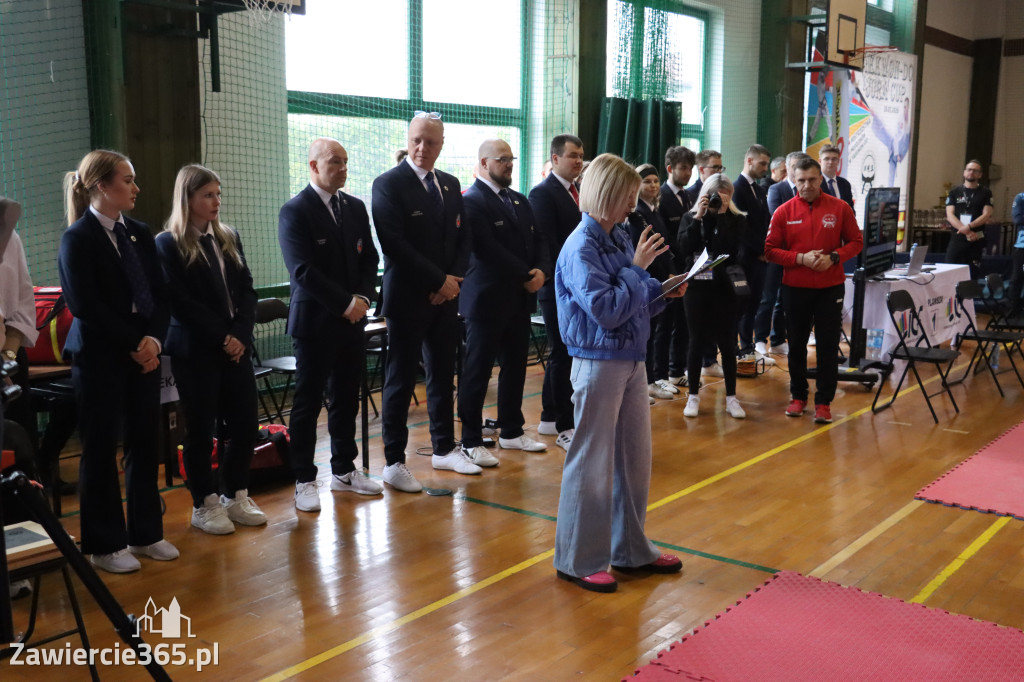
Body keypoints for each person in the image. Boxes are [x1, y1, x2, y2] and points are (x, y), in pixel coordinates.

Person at [552, 153, 686, 593]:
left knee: (634, 459)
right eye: (628, 195)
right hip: (597, 360)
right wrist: (639, 271)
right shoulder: (581, 246)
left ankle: (630, 549)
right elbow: (607, 310)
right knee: (592, 462)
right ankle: (577, 559)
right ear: (606, 193)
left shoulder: (618, 236)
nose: (633, 203)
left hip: (631, 357)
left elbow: (632, 299)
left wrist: (662, 290)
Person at [58, 150, 177, 573]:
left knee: (144, 443)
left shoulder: (139, 233)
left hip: (143, 353)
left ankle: (146, 534)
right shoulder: (78, 238)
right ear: (101, 186)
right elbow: (85, 304)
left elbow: (160, 295)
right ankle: (105, 544)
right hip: (100, 358)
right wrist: (134, 341)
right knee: (100, 448)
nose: (136, 188)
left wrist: (153, 341)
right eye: (127, 180)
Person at [155, 164, 266, 533]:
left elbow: (247, 290)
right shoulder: (167, 243)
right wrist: (223, 337)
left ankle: (236, 494)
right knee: (201, 430)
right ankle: (204, 502)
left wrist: (241, 334)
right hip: (197, 349)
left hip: (236, 347)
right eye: (207, 195)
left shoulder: (228, 236)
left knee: (245, 424)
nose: (216, 201)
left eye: (218, 194)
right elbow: (181, 302)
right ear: (188, 198)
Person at [372, 113, 473, 492]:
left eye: (430, 142)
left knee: (443, 375)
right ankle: (394, 461)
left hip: (446, 298)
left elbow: (464, 239)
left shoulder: (450, 183)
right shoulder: (387, 184)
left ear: (441, 144)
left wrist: (452, 281)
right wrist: (438, 281)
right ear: (407, 139)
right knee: (400, 380)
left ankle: (444, 447)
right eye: (416, 139)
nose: (421, 148)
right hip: (407, 299)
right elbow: (393, 243)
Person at [280, 138, 381, 509]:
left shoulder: (354, 207)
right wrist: (345, 303)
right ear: (313, 166)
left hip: (353, 321)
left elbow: (369, 259)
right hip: (315, 323)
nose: (342, 169)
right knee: (308, 403)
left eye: (345, 162)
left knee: (346, 399)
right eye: (334, 162)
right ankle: (304, 479)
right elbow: (302, 270)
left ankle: (344, 470)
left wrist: (364, 298)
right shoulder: (295, 210)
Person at [458, 139, 551, 465]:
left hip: (519, 299)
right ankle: (470, 440)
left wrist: (542, 270)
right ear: (484, 163)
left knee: (515, 367)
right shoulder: (471, 201)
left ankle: (511, 431)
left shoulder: (519, 200)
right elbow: (487, 250)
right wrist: (527, 274)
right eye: (502, 159)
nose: (509, 164)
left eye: (511, 159)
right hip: (486, 300)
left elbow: (539, 238)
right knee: (478, 371)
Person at [764, 157, 862, 424]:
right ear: (793, 181)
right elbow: (770, 250)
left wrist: (834, 257)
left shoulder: (840, 208)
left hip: (830, 288)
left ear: (820, 179)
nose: (806, 185)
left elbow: (856, 241)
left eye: (811, 180)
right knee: (796, 345)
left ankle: (823, 402)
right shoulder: (783, 211)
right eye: (801, 180)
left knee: (828, 345)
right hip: (795, 289)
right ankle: (798, 396)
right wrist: (800, 259)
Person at [529, 134, 583, 450]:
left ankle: (550, 415)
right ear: (555, 158)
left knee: (565, 351)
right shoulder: (542, 193)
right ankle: (563, 423)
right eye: (573, 155)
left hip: (579, 285)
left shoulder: (578, 192)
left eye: (581, 156)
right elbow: (547, 243)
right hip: (557, 286)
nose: (578, 161)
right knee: (561, 351)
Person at [677, 175, 747, 420]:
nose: (718, 200)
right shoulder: (690, 217)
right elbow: (684, 248)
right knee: (695, 341)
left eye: (724, 196)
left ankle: (732, 398)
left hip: (725, 289)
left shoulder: (737, 220)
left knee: (728, 343)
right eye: (715, 195)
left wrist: (722, 216)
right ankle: (693, 396)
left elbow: (732, 250)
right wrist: (699, 217)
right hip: (697, 288)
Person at [627, 164, 677, 402]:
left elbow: (664, 246)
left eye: (656, 181)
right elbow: (644, 252)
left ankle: (656, 377)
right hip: (649, 279)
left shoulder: (654, 210)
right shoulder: (636, 214)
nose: (653, 185)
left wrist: (671, 273)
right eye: (647, 181)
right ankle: (646, 382)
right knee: (648, 333)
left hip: (661, 279)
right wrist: (661, 276)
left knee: (661, 330)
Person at [757, 151, 811, 358]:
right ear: (787, 168)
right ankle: (760, 340)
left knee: (785, 300)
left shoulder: (807, 192)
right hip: (778, 252)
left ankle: (778, 340)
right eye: (795, 166)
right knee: (768, 298)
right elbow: (777, 219)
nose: (799, 170)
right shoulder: (776, 189)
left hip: (797, 254)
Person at [0, 198, 39, 449]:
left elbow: (23, 302)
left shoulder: (8, 234)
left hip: (9, 356)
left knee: (19, 446)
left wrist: (7, 359)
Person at [659, 146, 695, 387]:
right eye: (683, 168)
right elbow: (665, 237)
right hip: (670, 269)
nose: (688, 173)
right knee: (665, 325)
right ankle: (660, 374)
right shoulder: (661, 197)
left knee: (683, 322)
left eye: (690, 168)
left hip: (688, 269)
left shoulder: (689, 196)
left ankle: (676, 370)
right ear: (670, 168)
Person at [732, 145, 772, 361]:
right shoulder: (737, 188)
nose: (765, 168)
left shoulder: (759, 189)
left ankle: (748, 347)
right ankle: (739, 349)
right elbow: (741, 227)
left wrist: (767, 250)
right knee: (741, 306)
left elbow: (765, 223)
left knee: (754, 304)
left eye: (767, 164)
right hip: (745, 258)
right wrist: (760, 250)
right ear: (749, 160)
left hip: (760, 258)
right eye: (762, 163)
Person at [945, 160, 993, 279]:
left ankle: (971, 291)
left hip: (976, 237)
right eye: (969, 170)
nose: (971, 172)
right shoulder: (954, 192)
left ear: (980, 175)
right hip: (958, 236)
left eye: (975, 171)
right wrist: (965, 230)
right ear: (964, 172)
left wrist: (969, 227)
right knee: (950, 270)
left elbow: (987, 214)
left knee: (972, 273)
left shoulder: (986, 192)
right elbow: (950, 215)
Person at [819, 144, 854, 210]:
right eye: (826, 159)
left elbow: (851, 210)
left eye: (834, 159)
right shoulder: (815, 182)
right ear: (820, 161)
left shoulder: (845, 184)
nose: (830, 162)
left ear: (838, 162)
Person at [1010, 190, 1024, 314]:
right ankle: (1013, 309)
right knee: (1017, 278)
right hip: (1022, 246)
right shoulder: (1020, 197)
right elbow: (1018, 219)